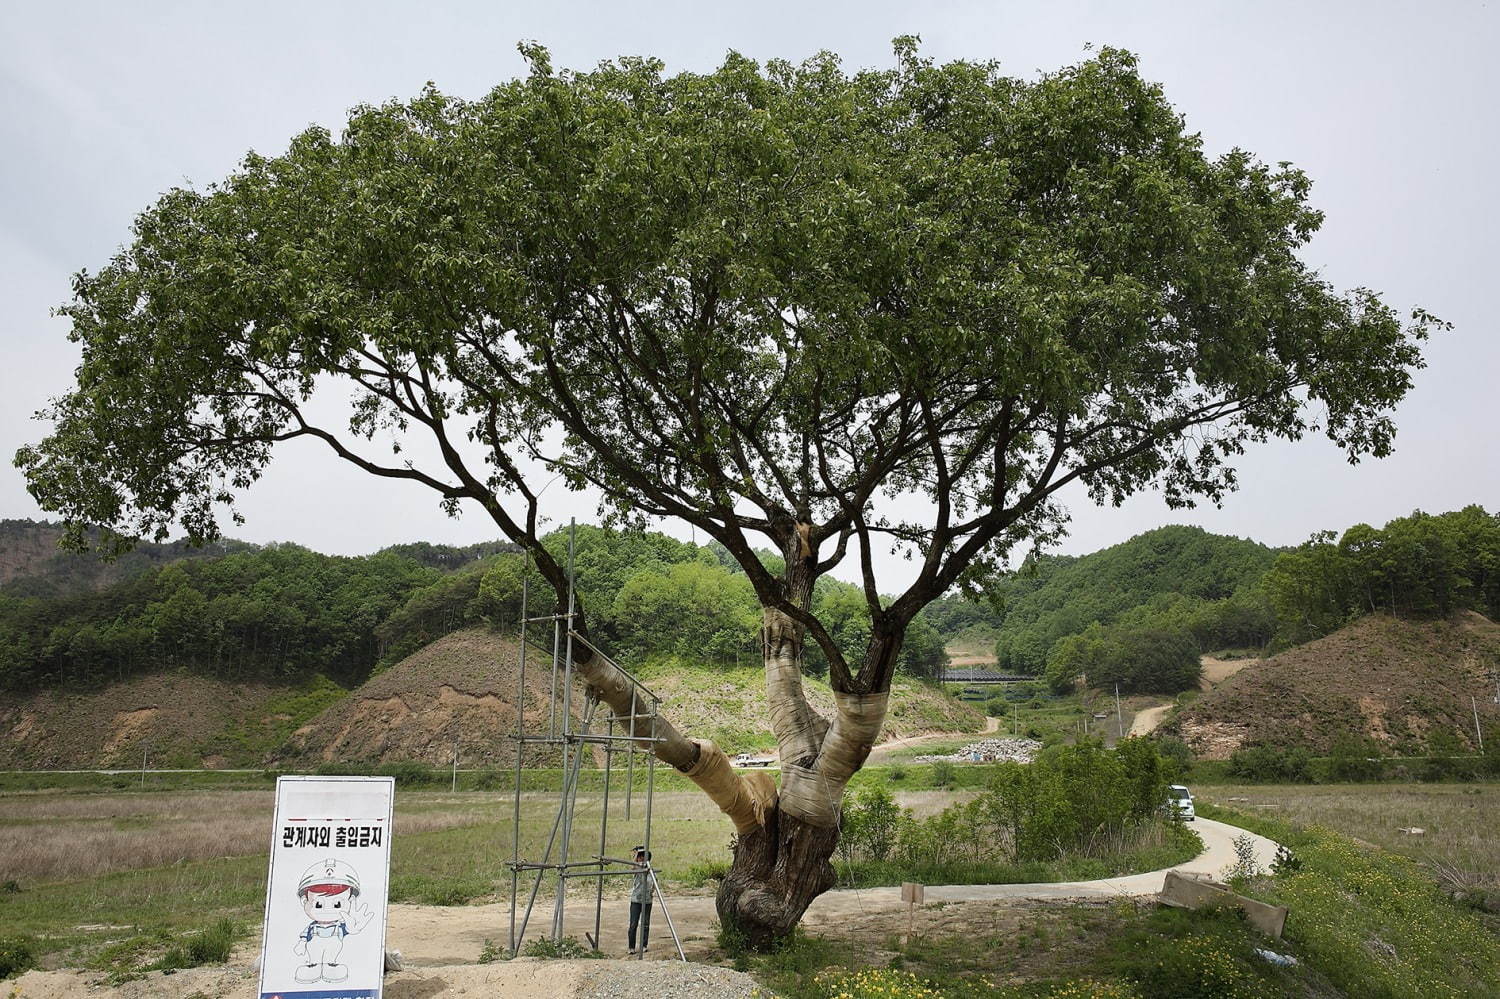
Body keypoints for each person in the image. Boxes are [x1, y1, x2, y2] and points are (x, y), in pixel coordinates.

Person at [628, 845, 653, 957]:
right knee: (633, 924)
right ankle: (631, 947)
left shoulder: (651, 871)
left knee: (645, 924)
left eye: (643, 857)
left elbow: (654, 885)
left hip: (647, 901)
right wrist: (636, 854)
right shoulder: (637, 870)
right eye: (639, 857)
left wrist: (651, 893)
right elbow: (632, 866)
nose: (641, 859)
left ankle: (644, 945)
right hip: (636, 900)